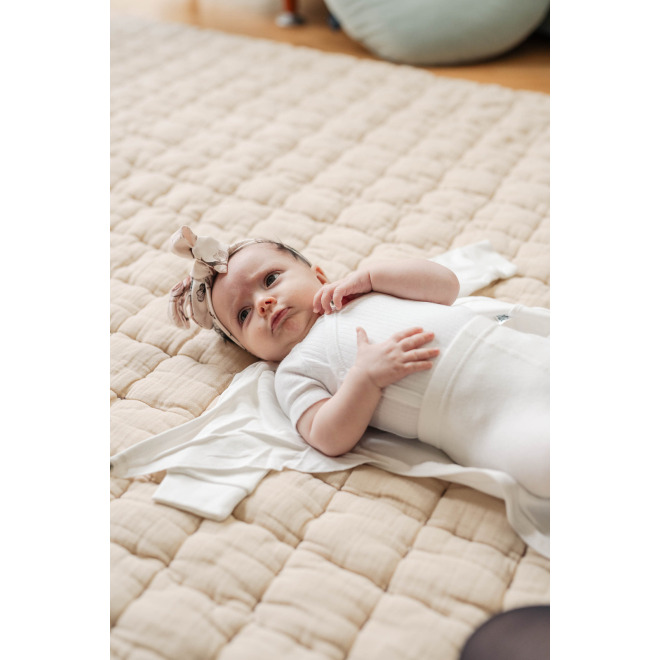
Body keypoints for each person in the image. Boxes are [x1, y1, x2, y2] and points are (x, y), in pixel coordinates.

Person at [168, 226, 549, 498]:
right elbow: (326, 436)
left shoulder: (363, 291)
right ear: (250, 350)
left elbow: (446, 287)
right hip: (489, 421)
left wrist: (371, 276)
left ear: (319, 276)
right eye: (244, 314)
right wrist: (364, 380)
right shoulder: (294, 372)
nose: (263, 303)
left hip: (518, 350)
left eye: (270, 280)